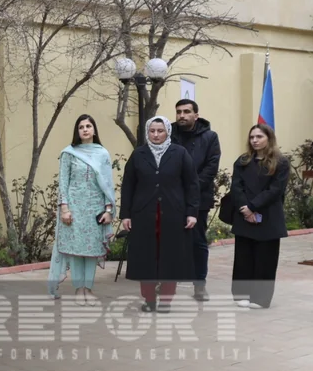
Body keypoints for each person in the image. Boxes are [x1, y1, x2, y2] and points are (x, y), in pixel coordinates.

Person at [120, 116, 199, 313]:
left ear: (167, 132)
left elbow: (192, 185)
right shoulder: (139, 154)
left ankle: (165, 301)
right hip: (143, 215)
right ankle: (149, 300)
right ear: (147, 132)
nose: (156, 135)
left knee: (170, 259)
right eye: (152, 131)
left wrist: (192, 212)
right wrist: (126, 214)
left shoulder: (180, 153)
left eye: (160, 131)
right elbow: (128, 186)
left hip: (173, 214)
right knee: (145, 258)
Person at [47, 114, 115, 304]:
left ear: (94, 129)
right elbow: (63, 183)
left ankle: (89, 289)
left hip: (95, 209)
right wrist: (64, 209)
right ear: (77, 131)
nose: (85, 129)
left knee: (92, 251)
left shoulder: (102, 154)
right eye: (81, 127)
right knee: (76, 251)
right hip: (74, 209)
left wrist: (108, 210)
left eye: (88, 126)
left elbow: (108, 184)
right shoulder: (69, 153)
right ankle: (79, 289)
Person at [229, 123, 289, 310]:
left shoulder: (280, 162)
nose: (254, 140)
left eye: (259, 137)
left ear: (269, 139)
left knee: (265, 259)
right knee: (243, 257)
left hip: (268, 215)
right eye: (252, 137)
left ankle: (261, 298)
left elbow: (275, 190)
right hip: (244, 214)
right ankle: (241, 295)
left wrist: (253, 206)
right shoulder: (243, 161)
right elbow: (236, 187)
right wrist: (245, 209)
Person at [171, 99, 221, 301]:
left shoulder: (210, 137)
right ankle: (167, 283)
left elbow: (211, 166)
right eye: (178, 112)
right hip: (171, 197)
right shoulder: (169, 134)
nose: (182, 115)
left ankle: (199, 285)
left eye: (186, 112)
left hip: (199, 198)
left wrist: (191, 188)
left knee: (198, 243)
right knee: (170, 243)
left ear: (196, 115)